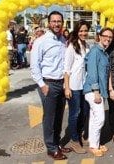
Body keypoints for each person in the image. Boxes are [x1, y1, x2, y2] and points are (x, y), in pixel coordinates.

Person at [30, 11, 71, 160]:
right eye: (53, 21)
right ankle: (51, 148)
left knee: (59, 116)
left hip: (61, 83)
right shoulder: (41, 41)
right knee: (49, 118)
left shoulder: (63, 40)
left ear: (62, 23)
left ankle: (57, 143)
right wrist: (42, 85)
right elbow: (34, 66)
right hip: (49, 84)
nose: (56, 24)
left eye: (59, 21)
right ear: (49, 23)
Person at [83, 27, 114, 157]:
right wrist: (96, 91)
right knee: (100, 118)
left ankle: (94, 142)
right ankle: (94, 146)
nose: (107, 38)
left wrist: (108, 89)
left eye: (110, 37)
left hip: (100, 90)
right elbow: (92, 72)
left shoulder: (105, 53)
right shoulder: (95, 51)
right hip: (93, 90)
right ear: (99, 36)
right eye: (105, 36)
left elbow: (107, 74)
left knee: (95, 117)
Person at [64, 20, 90, 154]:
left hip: (85, 85)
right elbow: (66, 69)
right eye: (81, 31)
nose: (83, 33)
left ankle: (79, 135)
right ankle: (74, 141)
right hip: (73, 86)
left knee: (85, 112)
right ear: (76, 31)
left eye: (85, 30)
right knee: (75, 113)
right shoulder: (72, 47)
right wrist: (67, 88)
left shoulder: (87, 45)